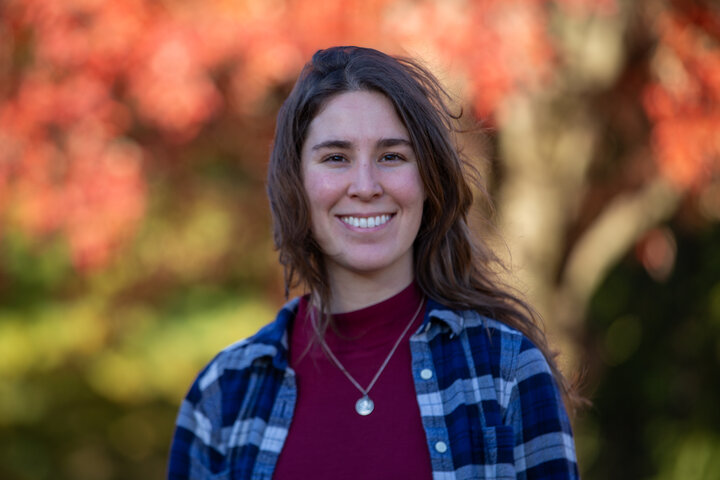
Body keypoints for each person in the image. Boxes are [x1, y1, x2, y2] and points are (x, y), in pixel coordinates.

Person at [167, 46, 580, 479]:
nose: (365, 186)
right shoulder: (223, 395)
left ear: (427, 180)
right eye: (336, 158)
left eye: (392, 156)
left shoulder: (506, 371)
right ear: (297, 183)